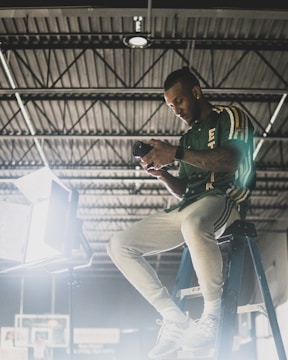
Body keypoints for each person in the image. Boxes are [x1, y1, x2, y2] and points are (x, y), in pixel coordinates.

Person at [107, 66, 255, 358]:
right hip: (189, 206)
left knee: (194, 223)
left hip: (226, 198)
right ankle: (175, 319)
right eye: (171, 106)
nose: (176, 110)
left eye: (179, 101)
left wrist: (175, 153)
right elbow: (185, 190)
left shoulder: (230, 116)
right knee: (118, 245)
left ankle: (212, 313)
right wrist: (161, 173)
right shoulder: (187, 139)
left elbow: (230, 161)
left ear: (196, 92)